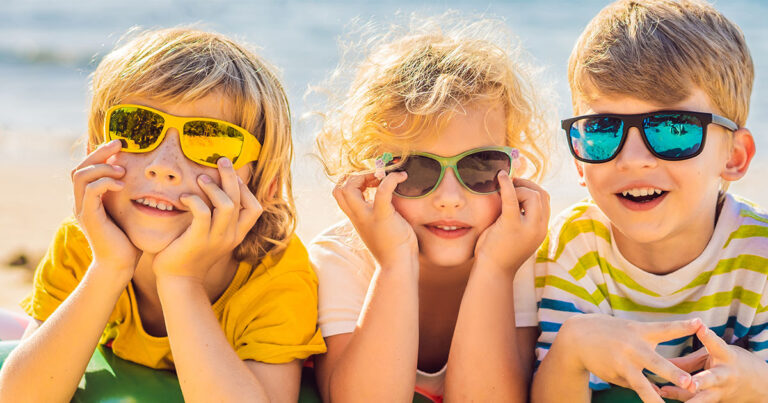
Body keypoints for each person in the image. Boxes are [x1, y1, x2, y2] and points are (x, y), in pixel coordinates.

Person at [0, 27, 325, 402]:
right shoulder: (82, 246)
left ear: (263, 185)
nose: (163, 166)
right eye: (137, 127)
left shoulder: (275, 277)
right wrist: (109, 269)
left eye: (210, 140)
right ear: (95, 149)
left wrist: (180, 280)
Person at [530, 1, 767, 402]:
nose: (632, 159)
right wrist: (573, 348)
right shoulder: (571, 248)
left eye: (673, 129)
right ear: (579, 163)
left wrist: (756, 384)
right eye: (602, 130)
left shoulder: (759, 255)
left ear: (734, 157)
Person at [310, 14, 553, 402]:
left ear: (513, 169)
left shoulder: (514, 254)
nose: (450, 198)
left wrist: (495, 269)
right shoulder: (341, 258)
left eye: (481, 165)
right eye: (416, 169)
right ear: (371, 174)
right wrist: (394, 264)